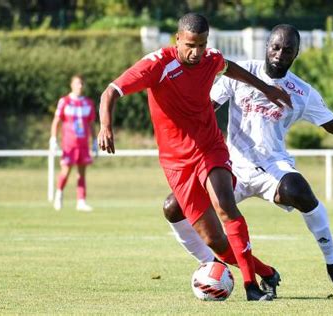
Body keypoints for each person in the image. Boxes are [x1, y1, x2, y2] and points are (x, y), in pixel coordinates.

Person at [162, 24, 333, 299]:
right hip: (231, 166)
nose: (279, 54)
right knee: (173, 207)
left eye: (287, 50)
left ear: (296, 53)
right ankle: (211, 264)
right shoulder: (238, 74)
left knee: (300, 191)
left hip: (272, 167)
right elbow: (203, 111)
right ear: (266, 47)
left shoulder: (302, 92)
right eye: (275, 47)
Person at [97, 13, 292, 301]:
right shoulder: (158, 65)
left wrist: (266, 89)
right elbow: (110, 92)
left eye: (201, 45)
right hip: (177, 164)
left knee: (225, 205)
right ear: (177, 39)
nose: (196, 52)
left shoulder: (209, 58)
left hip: (210, 147)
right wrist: (105, 126)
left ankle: (251, 287)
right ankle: (265, 271)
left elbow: (229, 68)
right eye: (190, 45)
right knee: (214, 240)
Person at [50, 75, 97, 212]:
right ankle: (59, 195)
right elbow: (56, 121)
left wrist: (94, 141)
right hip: (69, 144)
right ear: (71, 85)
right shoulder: (64, 101)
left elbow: (91, 124)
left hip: (83, 144)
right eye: (77, 83)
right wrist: (53, 138)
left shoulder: (88, 103)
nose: (80, 86)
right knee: (65, 171)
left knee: (81, 173)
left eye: (82, 83)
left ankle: (81, 201)